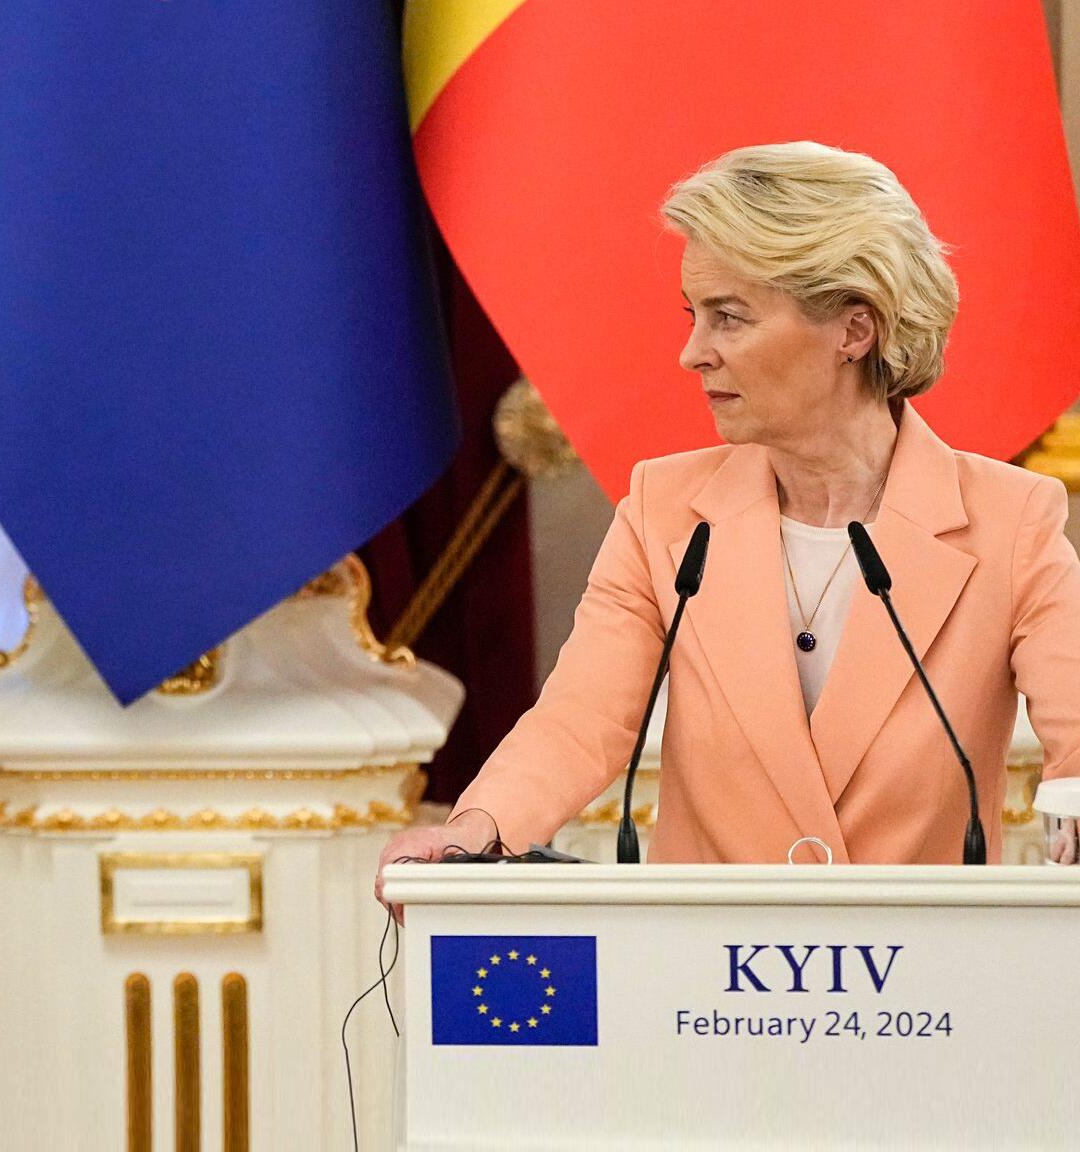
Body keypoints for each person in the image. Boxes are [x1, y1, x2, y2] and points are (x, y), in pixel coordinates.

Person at [378, 141, 1080, 898]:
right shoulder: (664, 510)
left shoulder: (1011, 521)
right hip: (709, 964)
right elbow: (581, 720)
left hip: (922, 966)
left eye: (729, 318)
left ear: (854, 330)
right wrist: (475, 830)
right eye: (695, 316)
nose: (693, 353)